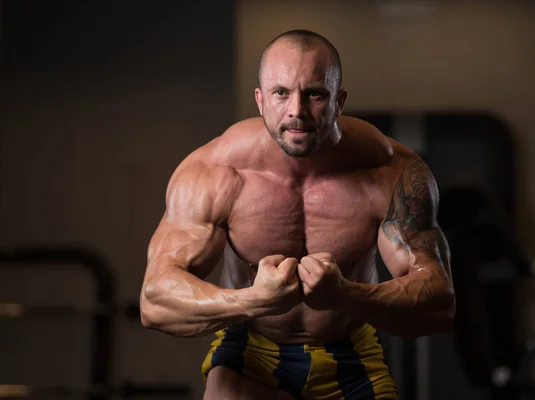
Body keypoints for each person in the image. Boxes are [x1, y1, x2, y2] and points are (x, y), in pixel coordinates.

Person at [139, 29, 455, 400]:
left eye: (315, 94)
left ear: (339, 101)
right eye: (281, 93)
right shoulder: (215, 172)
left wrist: (346, 294)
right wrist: (254, 300)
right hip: (250, 352)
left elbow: (439, 302)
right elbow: (155, 301)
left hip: (350, 352)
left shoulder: (389, 171)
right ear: (260, 100)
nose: (297, 111)